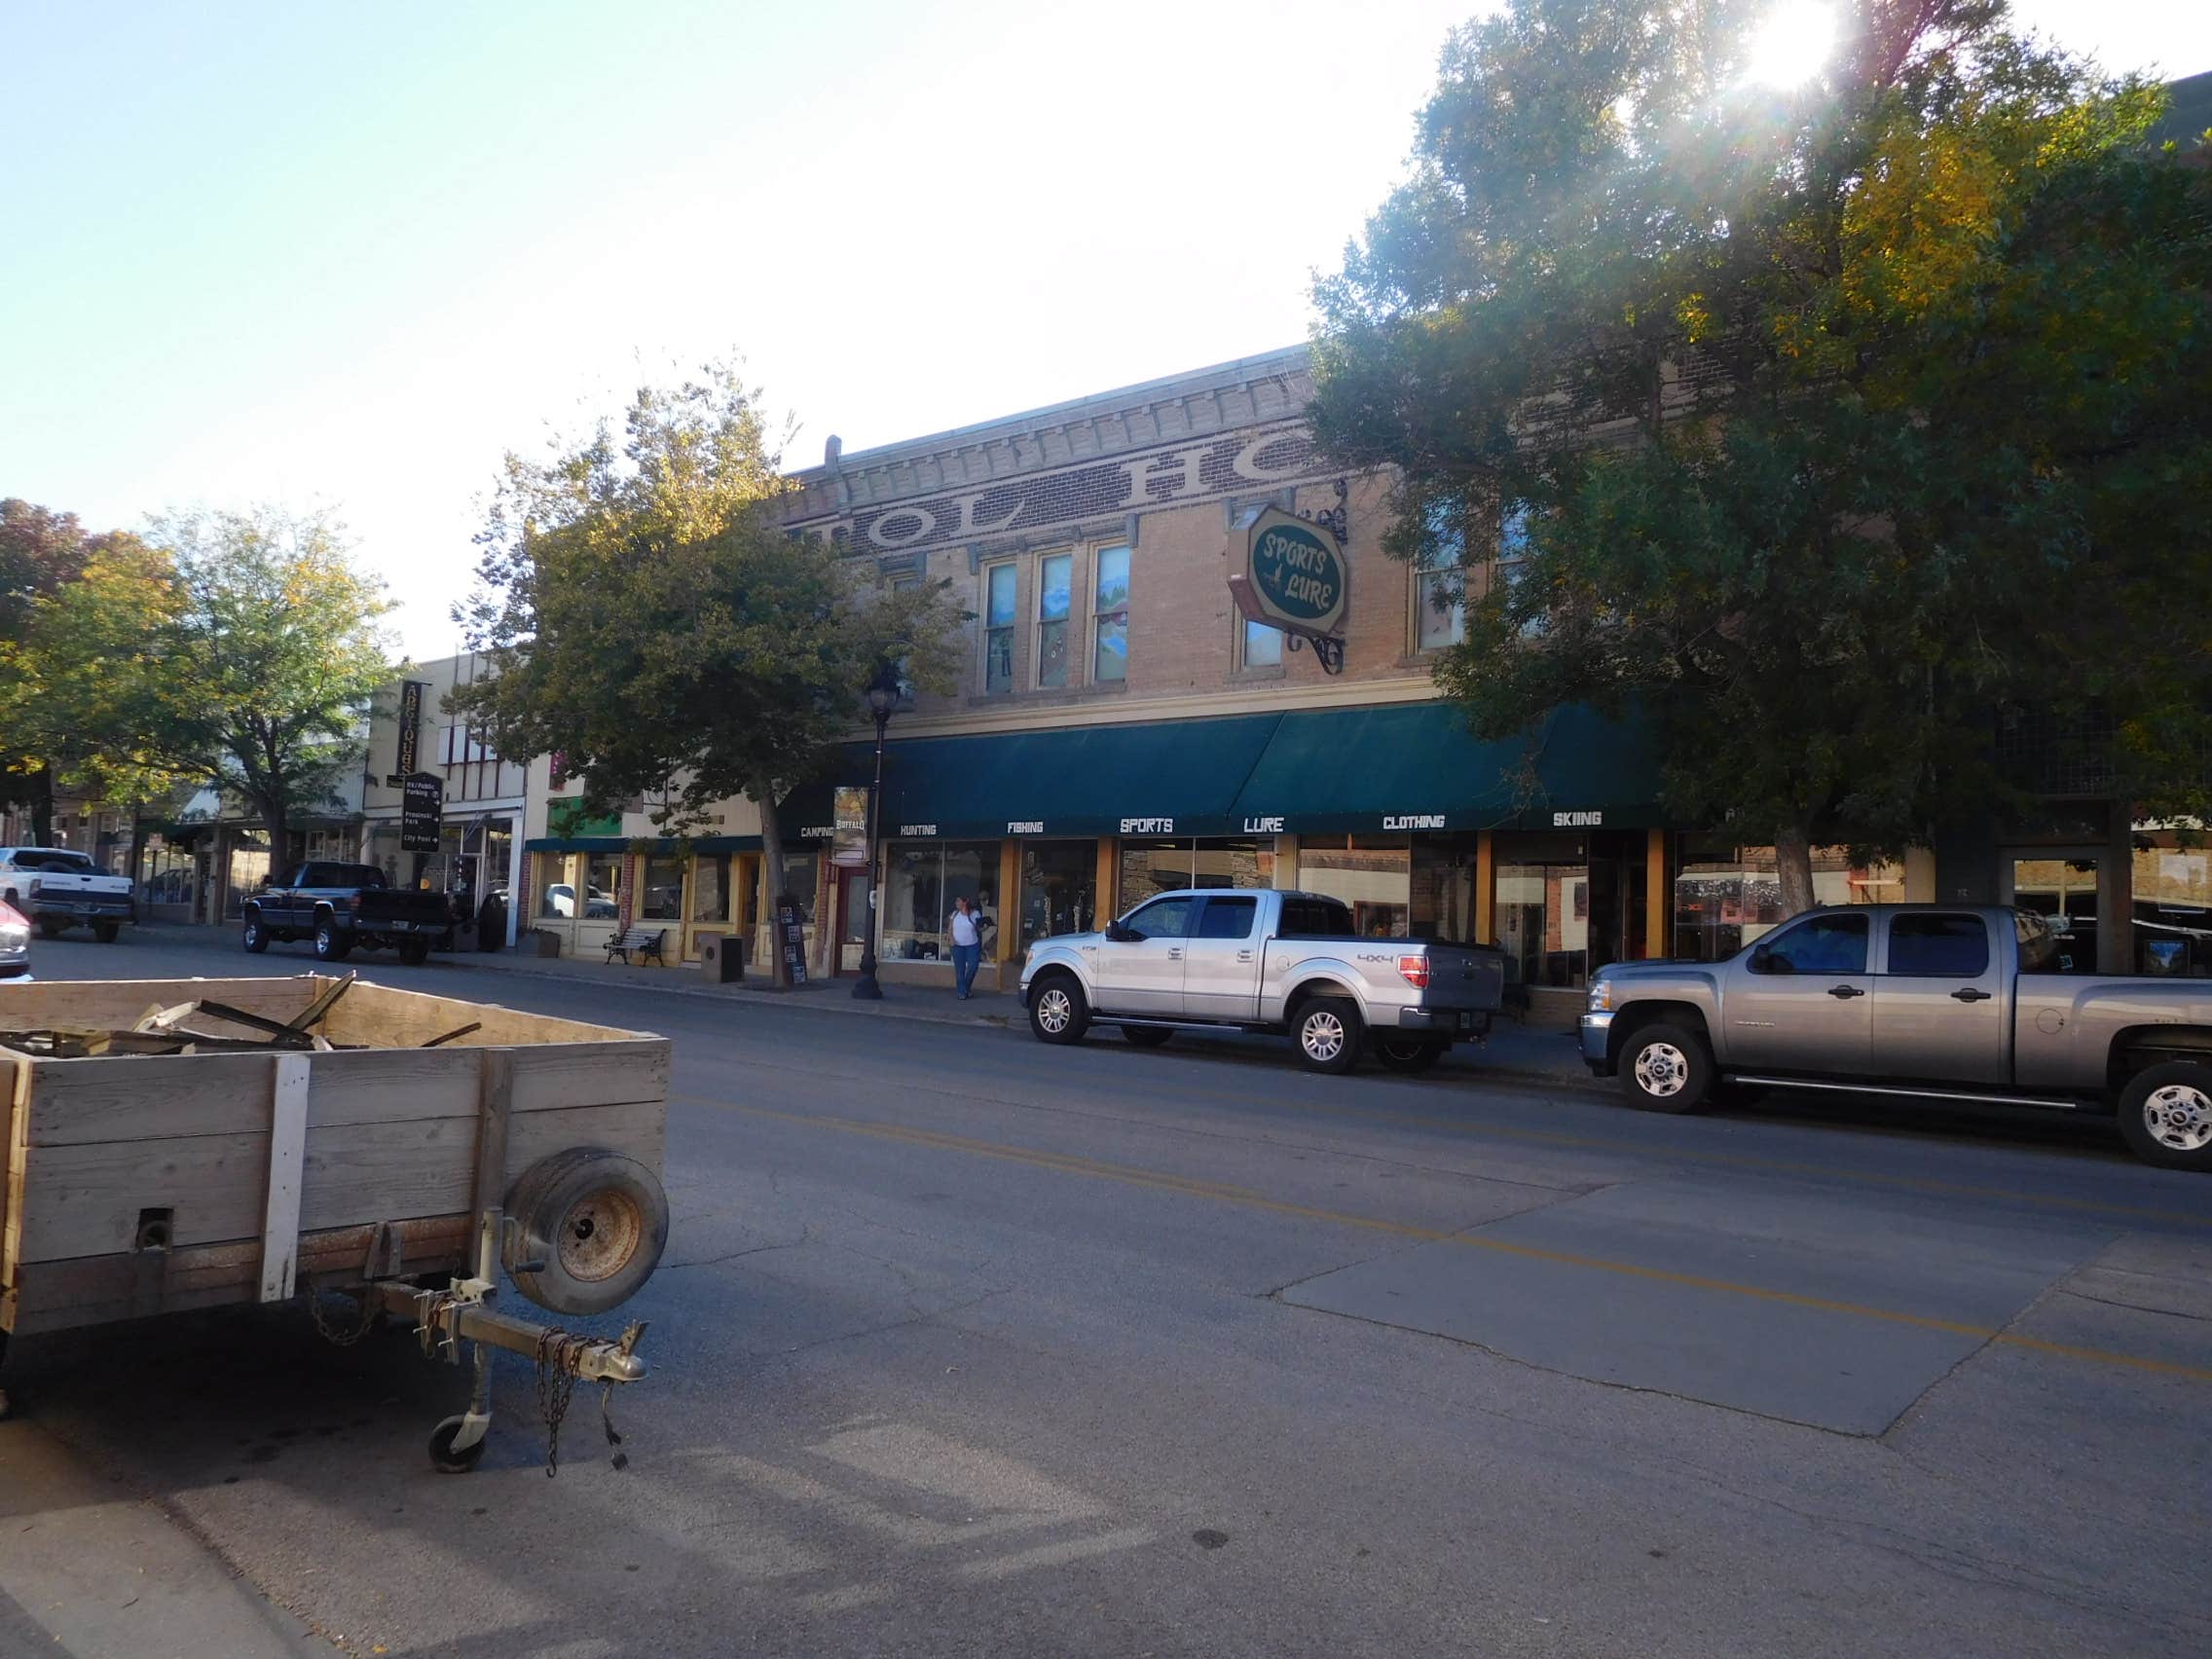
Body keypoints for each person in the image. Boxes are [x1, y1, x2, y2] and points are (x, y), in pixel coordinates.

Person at [948, 895, 984, 999]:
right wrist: (951, 939)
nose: (956, 903)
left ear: (965, 902)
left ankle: (966, 988)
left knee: (973, 966)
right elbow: (950, 929)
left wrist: (985, 926)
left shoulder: (975, 914)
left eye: (958, 901)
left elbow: (979, 929)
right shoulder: (955, 914)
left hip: (972, 945)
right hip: (957, 946)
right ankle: (962, 993)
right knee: (960, 970)